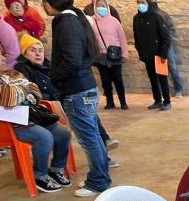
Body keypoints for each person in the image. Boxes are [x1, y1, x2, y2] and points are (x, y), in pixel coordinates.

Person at [15, 33, 121, 166]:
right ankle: (103, 150)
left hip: (63, 100)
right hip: (47, 107)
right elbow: (31, 94)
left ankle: (103, 152)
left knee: (88, 113)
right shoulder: (22, 69)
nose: (38, 54)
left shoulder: (49, 66)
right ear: (25, 54)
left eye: (40, 50)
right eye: (32, 50)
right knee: (85, 117)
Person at [42, 0, 111, 197]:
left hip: (77, 91)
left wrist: (56, 79)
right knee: (93, 136)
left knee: (89, 139)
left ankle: (99, 181)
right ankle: (99, 175)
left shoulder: (66, 22)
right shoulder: (73, 18)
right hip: (83, 88)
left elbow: (71, 59)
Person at [0, 46, 71, 193]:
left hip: (30, 117)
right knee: (44, 137)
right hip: (9, 126)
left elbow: (36, 92)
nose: (4, 58)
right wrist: (23, 92)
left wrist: (20, 93)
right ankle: (40, 175)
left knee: (63, 133)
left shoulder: (11, 74)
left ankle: (56, 168)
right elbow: (7, 98)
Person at [133, 0, 172, 111]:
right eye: (139, 2)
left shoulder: (157, 16)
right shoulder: (136, 18)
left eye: (143, 2)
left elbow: (166, 37)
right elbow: (136, 36)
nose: (140, 4)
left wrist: (163, 54)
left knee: (162, 79)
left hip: (159, 55)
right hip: (146, 55)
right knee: (152, 79)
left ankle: (167, 101)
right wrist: (139, 50)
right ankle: (157, 100)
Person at [90, 0, 129, 110]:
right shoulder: (92, 21)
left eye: (103, 6)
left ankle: (123, 102)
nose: (100, 8)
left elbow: (122, 38)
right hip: (101, 56)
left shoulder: (114, 21)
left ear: (107, 7)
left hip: (114, 54)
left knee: (118, 79)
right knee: (105, 80)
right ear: (94, 7)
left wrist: (125, 54)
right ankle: (110, 102)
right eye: (98, 6)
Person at [156, 4, 183, 98]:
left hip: (166, 44)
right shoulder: (148, 16)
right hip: (155, 46)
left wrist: (166, 39)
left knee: (172, 67)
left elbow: (172, 29)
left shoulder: (164, 15)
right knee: (160, 69)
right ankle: (163, 92)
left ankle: (178, 90)